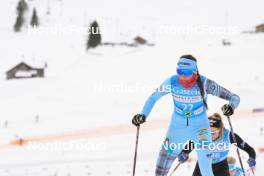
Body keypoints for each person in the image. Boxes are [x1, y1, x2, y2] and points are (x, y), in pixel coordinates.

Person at [131, 55, 240, 176]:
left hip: (201, 129)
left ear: (194, 72)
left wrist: (231, 107)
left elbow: (234, 97)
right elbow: (153, 98)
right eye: (179, 71)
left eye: (186, 72)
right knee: (161, 167)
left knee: (205, 169)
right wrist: (143, 115)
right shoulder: (172, 82)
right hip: (177, 127)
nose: (182, 75)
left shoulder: (205, 83)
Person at [178, 113, 256, 176]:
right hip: (203, 165)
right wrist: (183, 156)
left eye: (214, 132)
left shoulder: (228, 136)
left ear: (220, 130)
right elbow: (185, 151)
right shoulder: (200, 135)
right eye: (208, 131)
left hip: (221, 166)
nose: (210, 135)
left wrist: (252, 158)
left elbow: (250, 149)